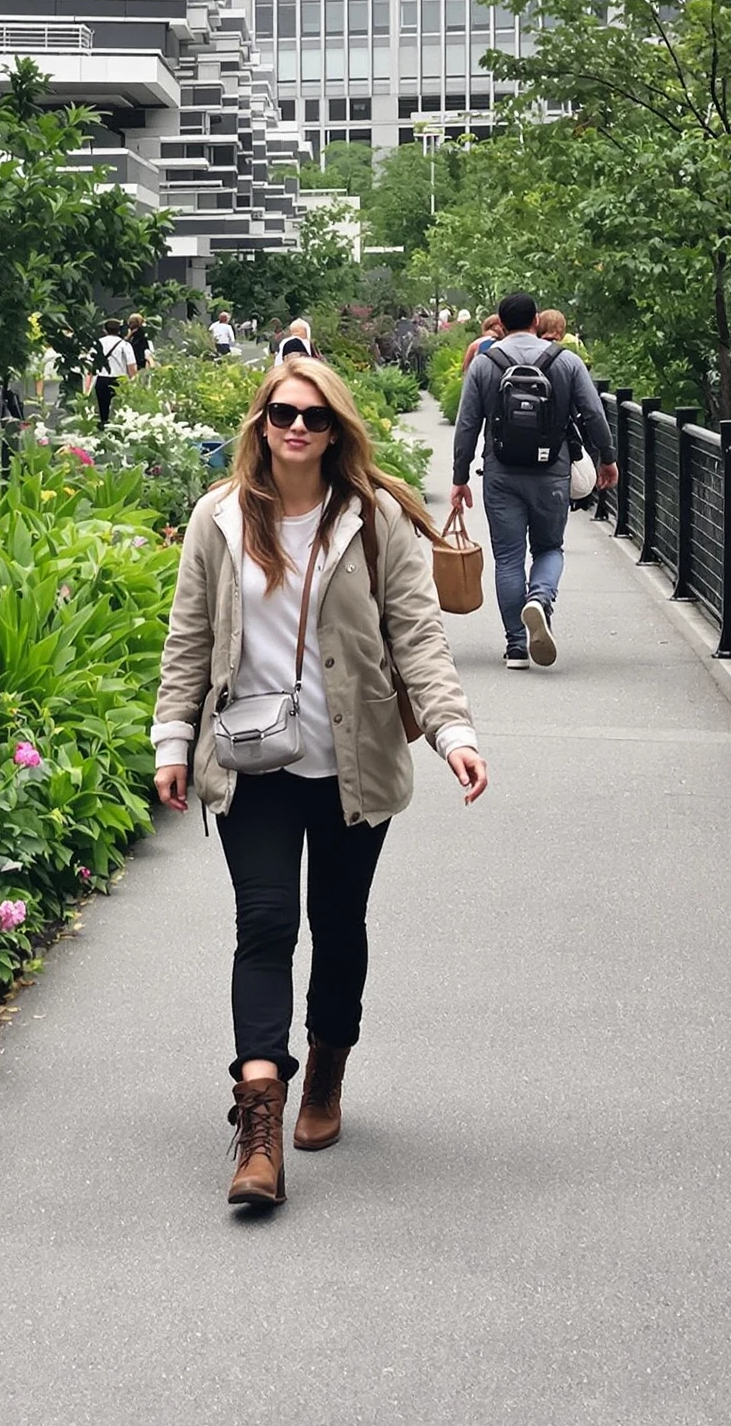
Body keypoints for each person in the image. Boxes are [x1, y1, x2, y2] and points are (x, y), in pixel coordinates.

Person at [152, 359, 487, 1209]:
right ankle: (258, 1125)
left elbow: (417, 637)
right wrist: (172, 741)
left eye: (312, 416)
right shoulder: (219, 519)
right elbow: (188, 639)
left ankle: (328, 1065)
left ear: (335, 430)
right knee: (264, 925)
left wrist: (454, 734)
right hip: (251, 760)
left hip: (353, 761)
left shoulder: (374, 519)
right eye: (280, 411)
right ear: (260, 422)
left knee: (338, 924)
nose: (295, 426)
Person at [451, 292, 619, 668]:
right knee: (549, 548)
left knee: (508, 559)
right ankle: (540, 599)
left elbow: (467, 425)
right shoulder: (566, 362)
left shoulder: (484, 364)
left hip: (501, 473)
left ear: (501, 321)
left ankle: (515, 647)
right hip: (551, 472)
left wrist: (460, 477)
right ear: (536, 320)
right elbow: (593, 414)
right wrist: (607, 459)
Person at [93, 316, 136, 427]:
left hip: (101, 378)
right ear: (119, 330)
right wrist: (133, 381)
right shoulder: (124, 345)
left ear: (105, 330)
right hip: (119, 380)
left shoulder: (98, 343)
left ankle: (103, 425)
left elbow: (91, 360)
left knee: (103, 408)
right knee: (118, 409)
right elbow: (131, 365)